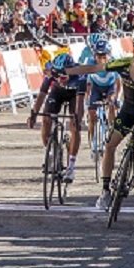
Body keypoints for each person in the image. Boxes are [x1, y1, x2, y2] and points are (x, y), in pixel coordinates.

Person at [77, 31, 134, 211]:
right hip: (128, 109)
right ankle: (105, 191)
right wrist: (69, 71)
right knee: (109, 146)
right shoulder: (123, 64)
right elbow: (96, 69)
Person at [28, 51, 88, 182]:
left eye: (64, 76)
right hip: (57, 93)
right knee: (46, 119)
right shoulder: (51, 74)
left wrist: (78, 119)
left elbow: (80, 101)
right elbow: (42, 95)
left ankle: (71, 166)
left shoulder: (80, 75)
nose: (61, 78)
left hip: (74, 95)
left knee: (74, 126)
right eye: (58, 76)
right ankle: (51, 152)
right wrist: (33, 114)